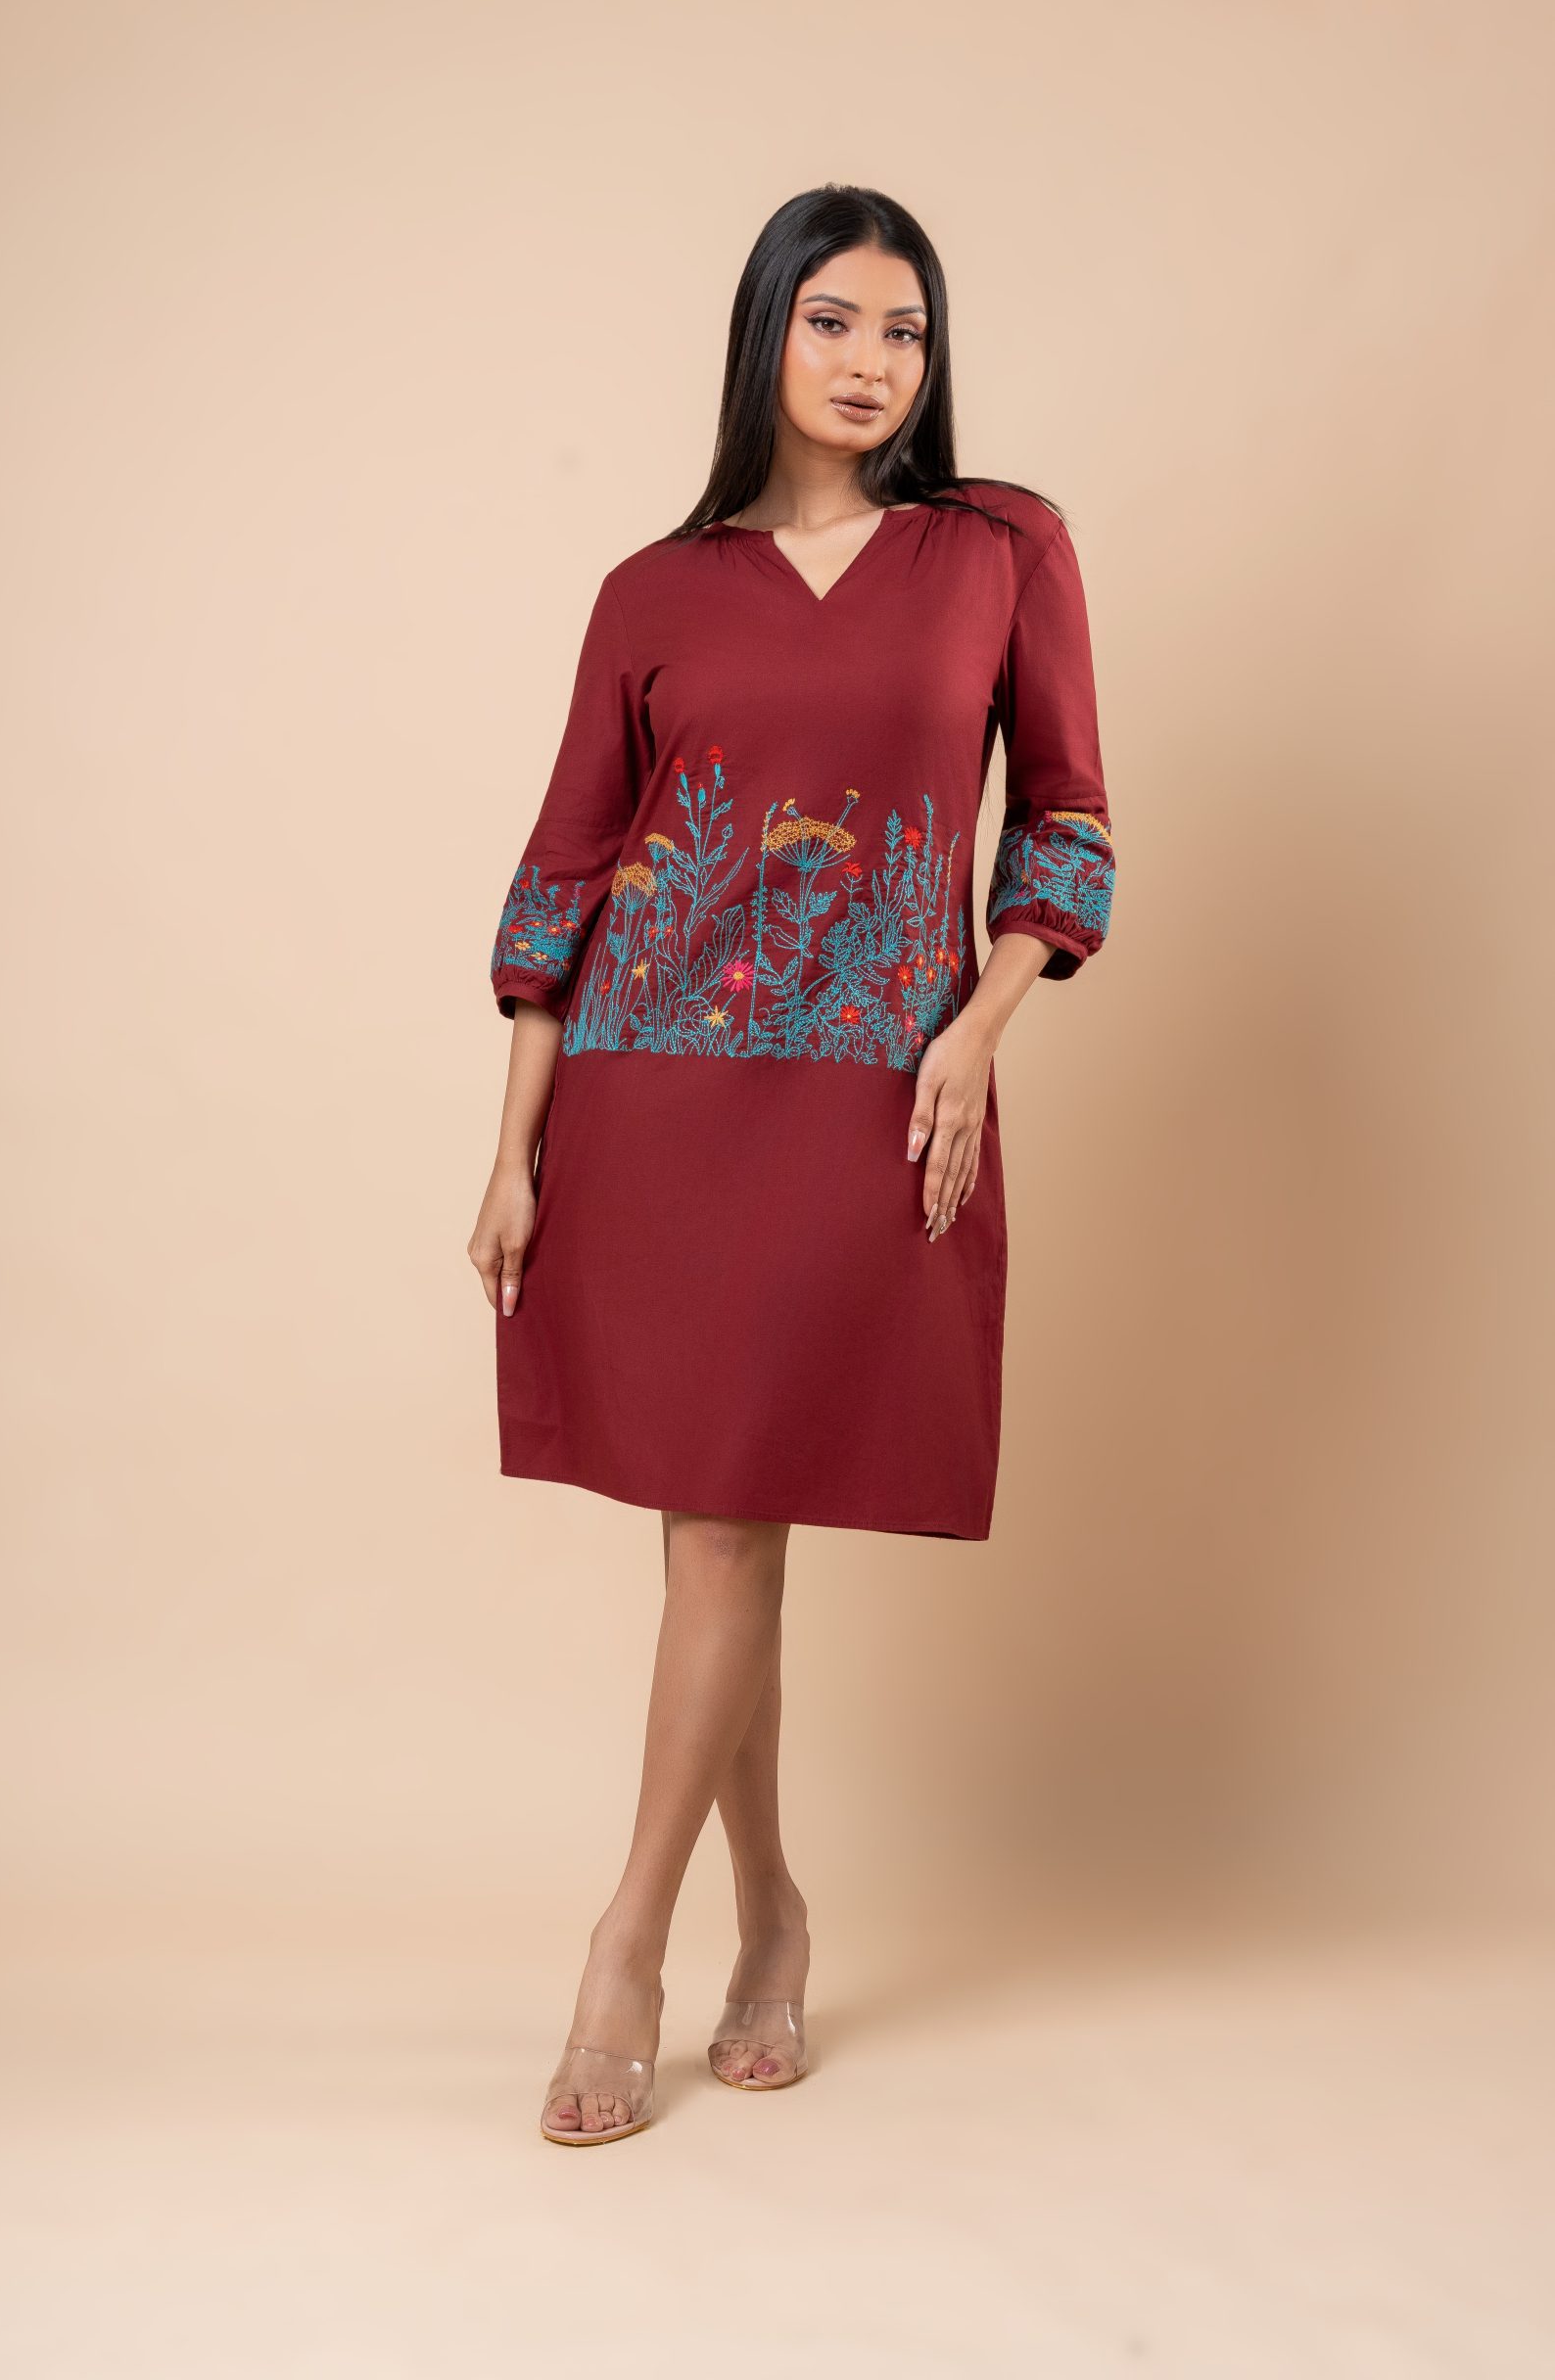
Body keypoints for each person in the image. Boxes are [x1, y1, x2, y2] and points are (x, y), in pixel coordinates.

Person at [466, 183, 1116, 2145]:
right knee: (719, 1532)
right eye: (831, 319)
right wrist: (512, 1150)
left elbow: (1064, 822)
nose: (868, 361)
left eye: (903, 330)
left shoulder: (998, 548)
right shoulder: (650, 591)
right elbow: (566, 876)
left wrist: (975, 1029)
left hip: (863, 1097)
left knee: (727, 1524)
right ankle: (747, 1923)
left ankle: (637, 1942)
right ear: (764, 335)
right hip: (649, 1104)